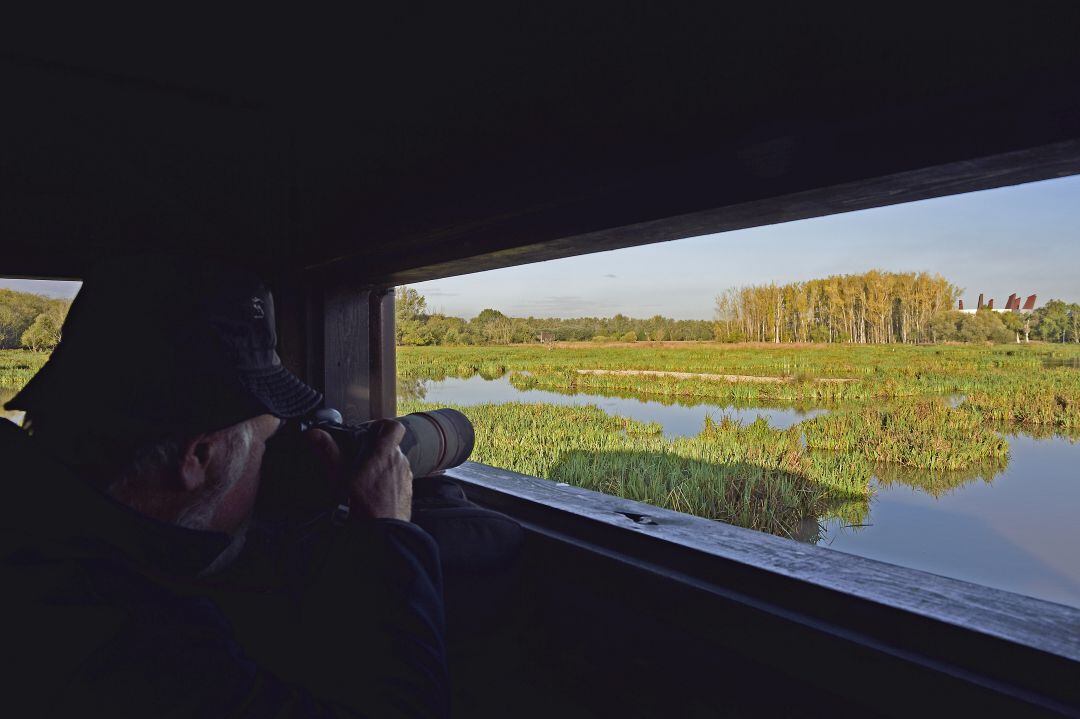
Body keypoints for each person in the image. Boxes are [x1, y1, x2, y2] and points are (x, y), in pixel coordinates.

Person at [0, 256, 449, 717]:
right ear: (197, 457)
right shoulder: (146, 645)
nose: (269, 461)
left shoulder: (37, 543)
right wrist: (388, 538)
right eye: (266, 440)